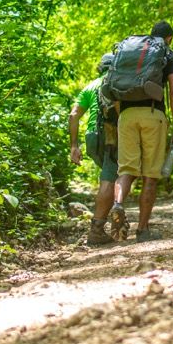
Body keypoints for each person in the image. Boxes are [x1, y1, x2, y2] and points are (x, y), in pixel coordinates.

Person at [100, 21, 173, 243]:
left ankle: (118, 204)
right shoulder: (169, 55)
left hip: (126, 116)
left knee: (126, 170)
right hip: (153, 114)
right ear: (169, 38)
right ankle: (143, 230)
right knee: (150, 175)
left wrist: (122, 117)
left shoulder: (133, 53)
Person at [69, 54, 119, 246]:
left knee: (110, 176)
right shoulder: (117, 83)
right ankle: (97, 229)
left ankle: (111, 215)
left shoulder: (90, 86)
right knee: (109, 179)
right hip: (110, 135)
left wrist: (74, 146)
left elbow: (73, 115)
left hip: (91, 138)